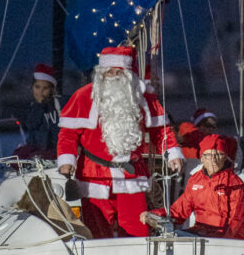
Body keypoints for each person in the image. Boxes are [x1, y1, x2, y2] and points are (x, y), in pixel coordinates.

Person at [57, 46, 184, 238]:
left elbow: (161, 130)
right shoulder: (84, 96)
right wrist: (67, 160)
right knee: (96, 230)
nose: (115, 76)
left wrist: (172, 152)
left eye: (120, 72)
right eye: (110, 72)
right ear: (101, 74)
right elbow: (68, 134)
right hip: (94, 175)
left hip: (130, 174)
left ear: (128, 74)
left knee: (137, 229)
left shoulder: (142, 97)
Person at [140, 134, 244, 239]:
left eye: (218, 155)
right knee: (169, 237)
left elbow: (233, 224)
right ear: (202, 159)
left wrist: (214, 243)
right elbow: (179, 211)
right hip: (202, 233)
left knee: (179, 238)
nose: (213, 160)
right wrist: (154, 215)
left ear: (225, 158)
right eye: (208, 155)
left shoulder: (234, 184)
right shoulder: (196, 180)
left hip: (226, 239)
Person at [13, 63, 61, 159]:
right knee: (17, 157)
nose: (40, 92)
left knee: (36, 156)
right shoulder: (33, 107)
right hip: (37, 146)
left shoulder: (59, 104)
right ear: (32, 87)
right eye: (37, 87)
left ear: (52, 90)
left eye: (45, 88)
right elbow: (32, 126)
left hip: (55, 147)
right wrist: (39, 106)